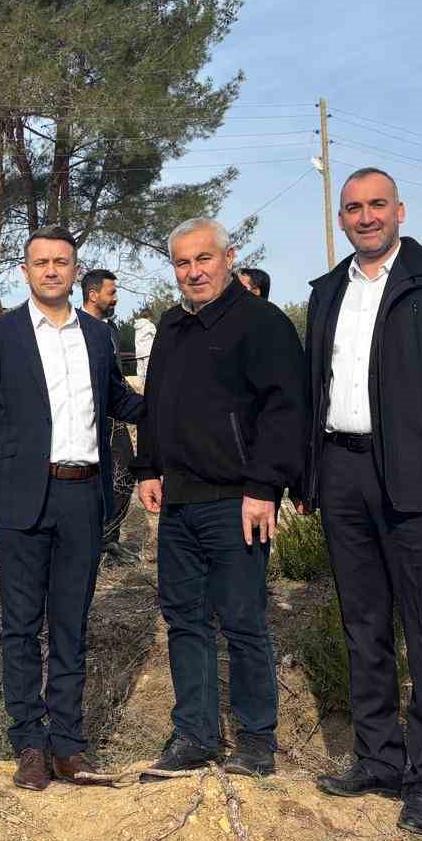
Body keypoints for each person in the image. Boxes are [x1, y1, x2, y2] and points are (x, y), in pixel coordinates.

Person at [302, 167, 422, 836]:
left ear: (400, 211)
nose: (366, 216)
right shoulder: (328, 291)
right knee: (363, 626)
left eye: (377, 204)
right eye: (353, 207)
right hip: (342, 472)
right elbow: (315, 385)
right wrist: (310, 477)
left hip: (419, 480)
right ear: (341, 219)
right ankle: (379, 759)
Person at [0, 230, 144, 790]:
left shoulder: (98, 334)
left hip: (83, 497)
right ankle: (29, 745)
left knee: (70, 624)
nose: (51, 270)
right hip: (22, 496)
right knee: (20, 626)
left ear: (74, 268)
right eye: (40, 262)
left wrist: (175, 399)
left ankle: (68, 744)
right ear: (24, 271)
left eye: (61, 261)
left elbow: (117, 399)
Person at [134, 218, 307, 781]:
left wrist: (264, 487)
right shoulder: (171, 326)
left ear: (228, 257)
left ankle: (256, 741)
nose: (194, 271)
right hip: (179, 502)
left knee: (242, 619)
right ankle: (195, 736)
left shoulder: (262, 323)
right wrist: (148, 466)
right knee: (184, 619)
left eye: (203, 258)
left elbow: (285, 410)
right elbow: (155, 401)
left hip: (238, 501)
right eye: (182, 263)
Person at [80, 268, 138, 567]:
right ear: (93, 295)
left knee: (126, 469)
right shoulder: (77, 328)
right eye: (111, 292)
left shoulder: (111, 330)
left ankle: (108, 539)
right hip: (90, 417)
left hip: (116, 413)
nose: (116, 298)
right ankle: (91, 541)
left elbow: (114, 376)